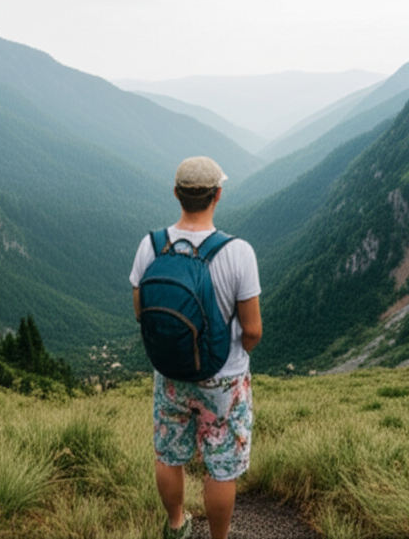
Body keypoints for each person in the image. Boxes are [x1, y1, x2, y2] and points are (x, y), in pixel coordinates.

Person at [130, 156, 263, 539]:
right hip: (224, 378)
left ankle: (176, 526)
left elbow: (142, 312)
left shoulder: (151, 245)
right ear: (217, 195)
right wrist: (238, 353)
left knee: (168, 454)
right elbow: (252, 330)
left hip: (170, 373)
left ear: (177, 194)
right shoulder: (238, 253)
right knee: (220, 466)